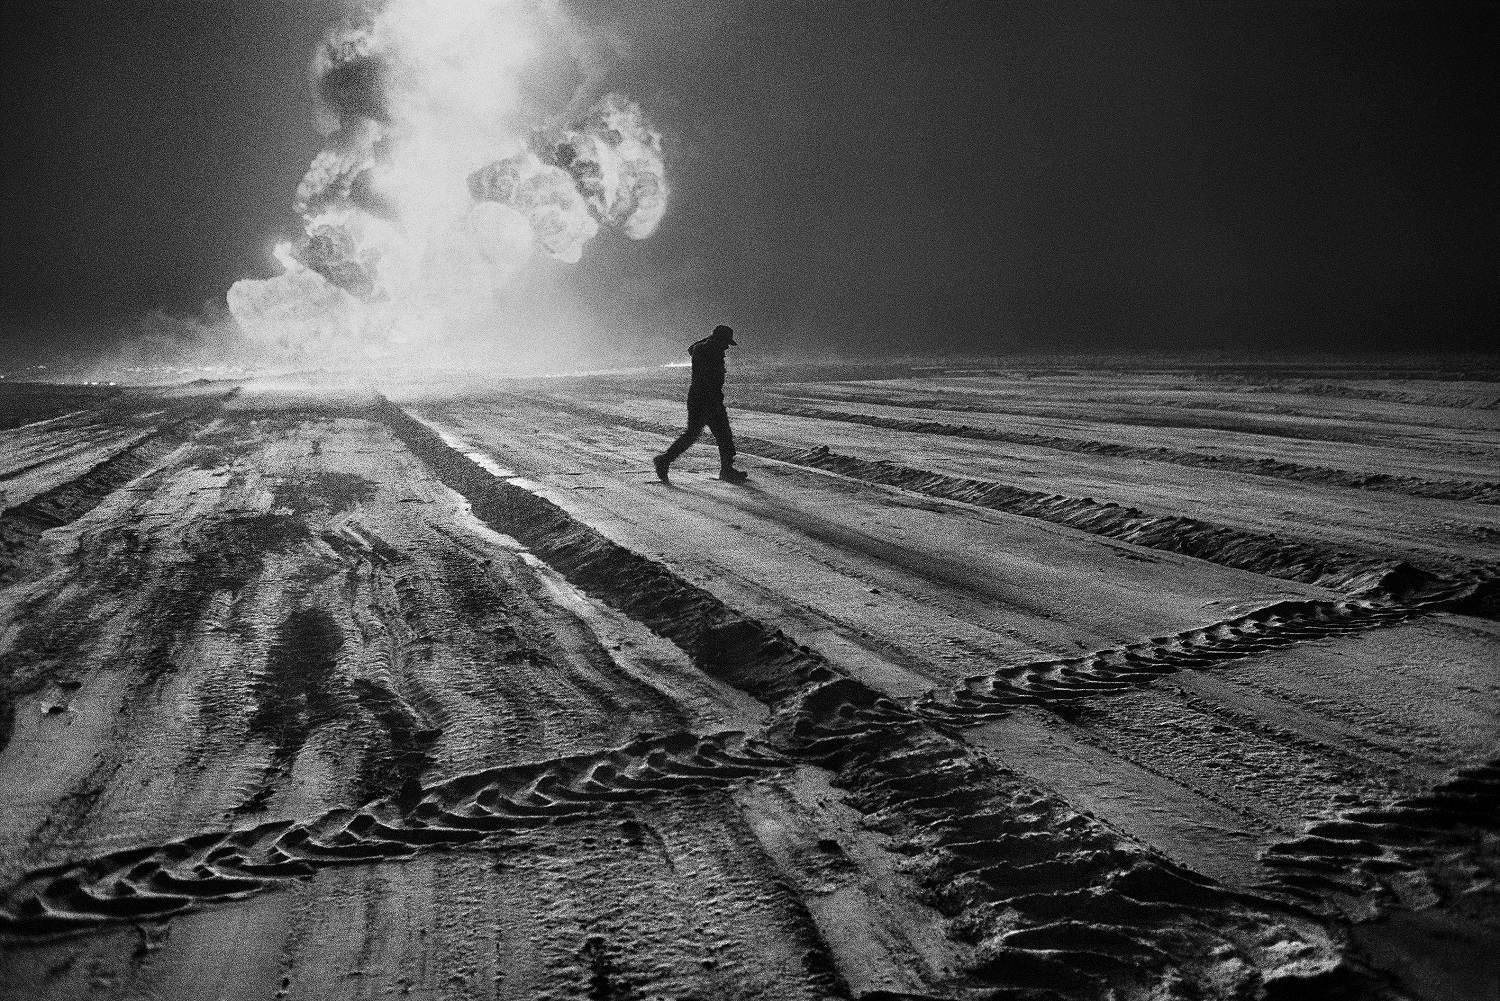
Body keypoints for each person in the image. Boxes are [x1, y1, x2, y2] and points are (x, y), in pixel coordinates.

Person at [653, 324, 748, 483]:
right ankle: (665, 460)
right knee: (709, 435)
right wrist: (713, 403)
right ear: (718, 340)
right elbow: (710, 378)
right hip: (706, 399)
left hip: (704, 398)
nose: (726, 347)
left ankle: (726, 469)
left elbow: (691, 348)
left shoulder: (702, 348)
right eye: (725, 342)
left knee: (715, 435)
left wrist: (710, 339)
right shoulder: (709, 351)